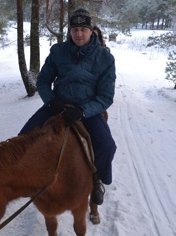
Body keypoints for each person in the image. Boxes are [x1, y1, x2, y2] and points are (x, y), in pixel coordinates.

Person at [18, 8, 116, 205]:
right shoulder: (58, 51)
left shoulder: (105, 58)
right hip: (58, 105)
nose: (79, 34)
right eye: (75, 29)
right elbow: (43, 81)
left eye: (83, 29)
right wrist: (52, 101)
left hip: (87, 110)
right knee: (23, 139)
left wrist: (83, 110)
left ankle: (96, 180)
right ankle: (28, 178)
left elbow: (106, 97)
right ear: (69, 31)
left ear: (91, 31)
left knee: (107, 146)